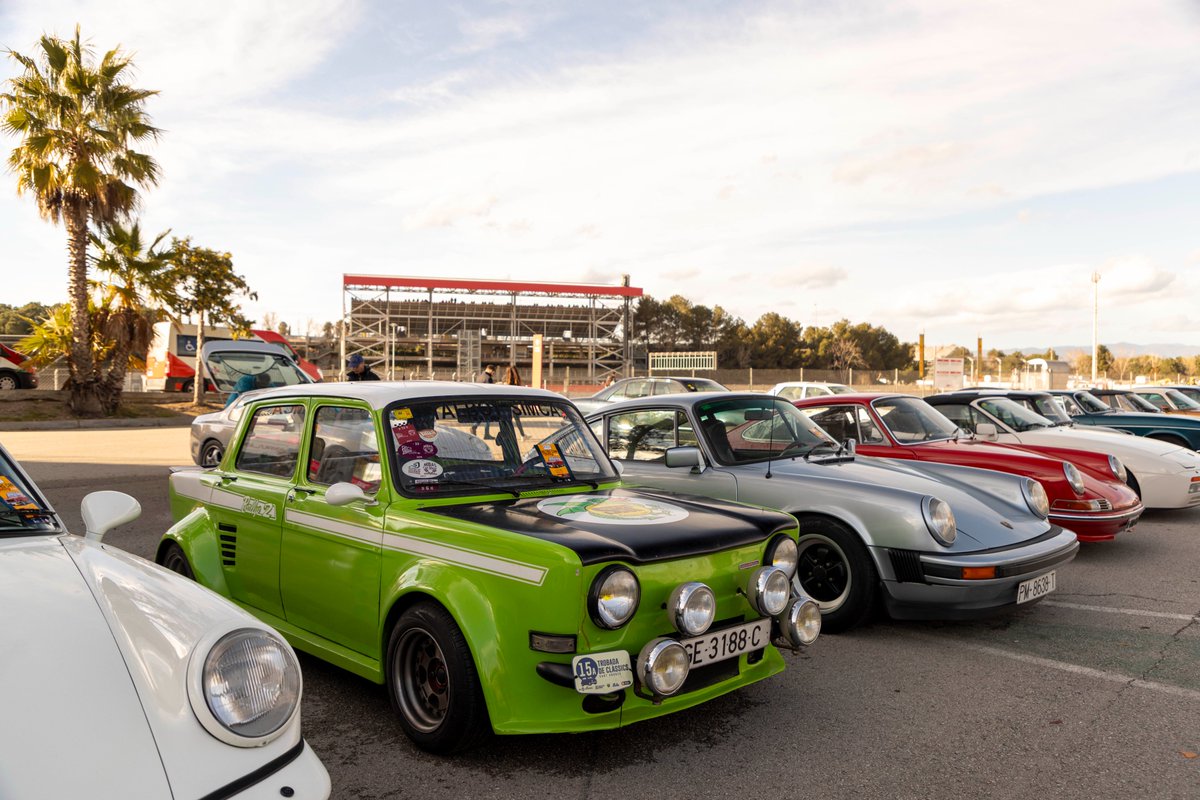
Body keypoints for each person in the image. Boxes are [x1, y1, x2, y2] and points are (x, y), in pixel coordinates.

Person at [472, 365, 496, 438]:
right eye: (493, 372)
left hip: (479, 400)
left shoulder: (480, 376)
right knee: (488, 417)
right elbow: (491, 390)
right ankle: (486, 434)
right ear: (490, 370)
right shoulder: (488, 378)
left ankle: (474, 426)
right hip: (487, 401)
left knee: (482, 415)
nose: (493, 374)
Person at [503, 365, 526, 437]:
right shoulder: (517, 380)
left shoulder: (505, 379)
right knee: (517, 419)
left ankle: (508, 434)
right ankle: (522, 435)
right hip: (514, 403)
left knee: (507, 420)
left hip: (506, 403)